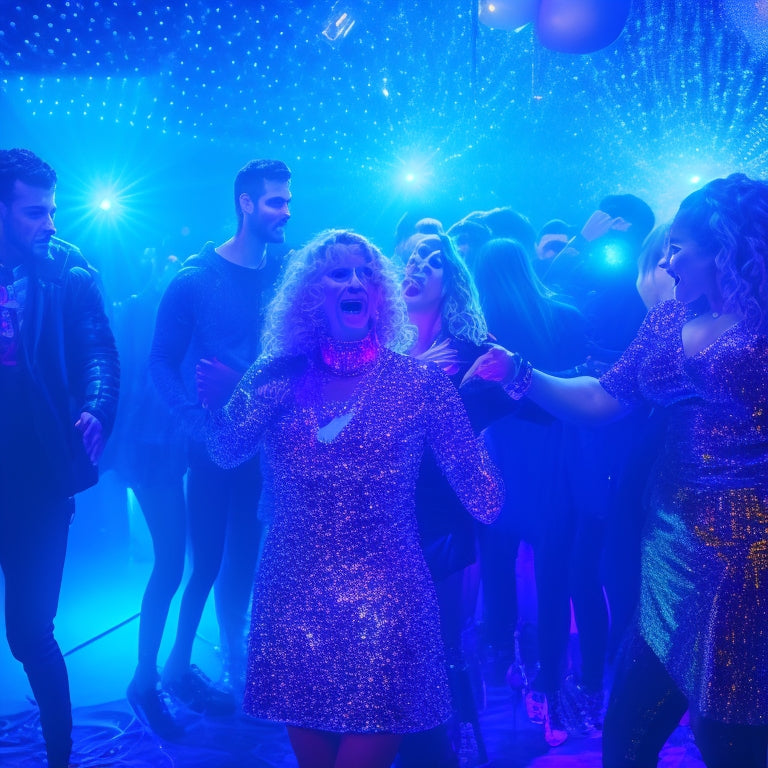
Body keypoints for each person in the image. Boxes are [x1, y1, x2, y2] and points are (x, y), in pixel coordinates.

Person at [464, 174, 768, 767]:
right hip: (667, 542)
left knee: (730, 736)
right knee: (627, 738)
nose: (667, 261)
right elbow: (601, 399)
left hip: (749, 553)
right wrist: (520, 372)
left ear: (724, 248)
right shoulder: (665, 320)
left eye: (678, 247)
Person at [205, 229, 504, 768]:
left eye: (366, 272)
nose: (355, 282)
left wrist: (473, 416)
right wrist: (240, 398)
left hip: (387, 595)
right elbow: (226, 453)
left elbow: (485, 499)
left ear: (382, 294)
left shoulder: (420, 383)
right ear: (307, 295)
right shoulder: (276, 375)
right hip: (292, 594)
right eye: (338, 272)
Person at [136, 159, 291, 728]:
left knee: (246, 560)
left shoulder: (287, 273)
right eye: (275, 201)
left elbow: (296, 357)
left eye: (288, 201)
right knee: (202, 564)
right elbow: (158, 362)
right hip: (213, 445)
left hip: (270, 443)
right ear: (245, 204)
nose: (286, 211)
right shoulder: (196, 278)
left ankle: (233, 662)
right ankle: (173, 668)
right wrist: (196, 425)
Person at [0, 148, 120, 768]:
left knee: (29, 632)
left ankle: (59, 759)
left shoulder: (66, 270)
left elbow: (98, 345)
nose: (50, 222)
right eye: (33, 212)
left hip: (36, 476)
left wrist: (98, 406)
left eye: (50, 209)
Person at [398, 232, 514, 767]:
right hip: (380, 506)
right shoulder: (374, 345)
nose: (417, 266)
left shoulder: (472, 347)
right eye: (410, 259)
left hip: (441, 506)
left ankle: (454, 732)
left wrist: (462, 394)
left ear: (451, 282)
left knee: (444, 632)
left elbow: (490, 416)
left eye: (433, 262)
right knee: (394, 631)